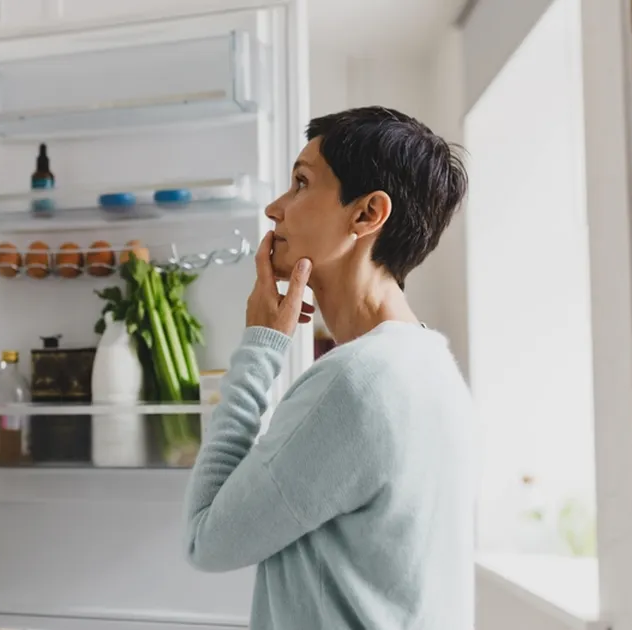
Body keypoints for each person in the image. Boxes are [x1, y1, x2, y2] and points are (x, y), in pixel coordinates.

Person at [183, 106, 476, 630]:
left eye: (300, 183)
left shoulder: (356, 382)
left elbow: (205, 540)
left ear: (366, 215)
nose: (275, 208)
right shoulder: (432, 364)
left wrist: (260, 348)